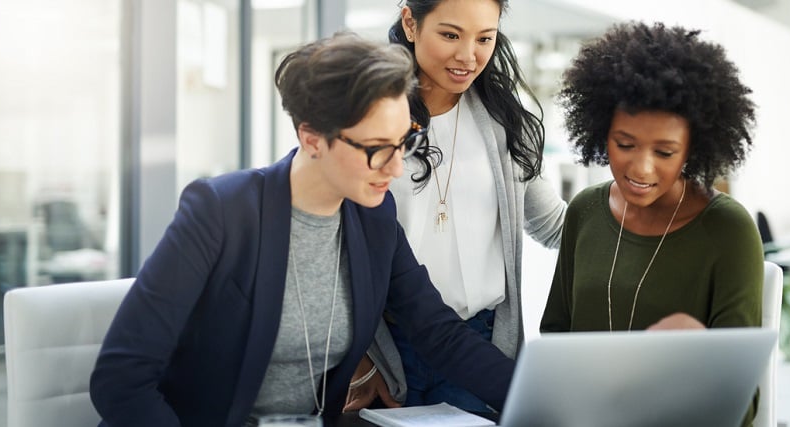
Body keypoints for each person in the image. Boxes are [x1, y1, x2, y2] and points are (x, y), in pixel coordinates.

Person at [89, 32, 515, 427]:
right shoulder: (221, 211)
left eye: (404, 142)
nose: (397, 166)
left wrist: (538, 393)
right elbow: (121, 378)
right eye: (377, 149)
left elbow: (436, 332)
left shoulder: (374, 216)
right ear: (311, 139)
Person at [344, 0, 567, 414]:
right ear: (411, 22)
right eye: (450, 35)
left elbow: (556, 227)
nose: (469, 56)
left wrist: (650, 219)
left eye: (485, 38)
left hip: (479, 348)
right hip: (386, 351)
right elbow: (333, 248)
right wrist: (358, 361)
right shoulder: (369, 122)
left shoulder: (507, 124)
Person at [539, 21, 763, 426]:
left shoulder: (728, 231)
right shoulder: (584, 211)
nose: (640, 168)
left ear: (694, 149)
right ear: (600, 131)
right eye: (624, 144)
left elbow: (738, 401)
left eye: (665, 151)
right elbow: (555, 340)